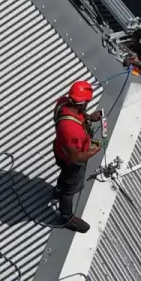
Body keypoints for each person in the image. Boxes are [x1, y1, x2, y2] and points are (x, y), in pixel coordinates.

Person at [52, 80, 104, 233]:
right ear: (82, 103)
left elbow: (76, 115)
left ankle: (58, 190)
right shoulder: (71, 130)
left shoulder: (63, 103)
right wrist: (94, 150)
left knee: (65, 179)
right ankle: (66, 217)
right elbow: (75, 158)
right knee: (70, 189)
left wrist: (88, 117)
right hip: (72, 161)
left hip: (60, 151)